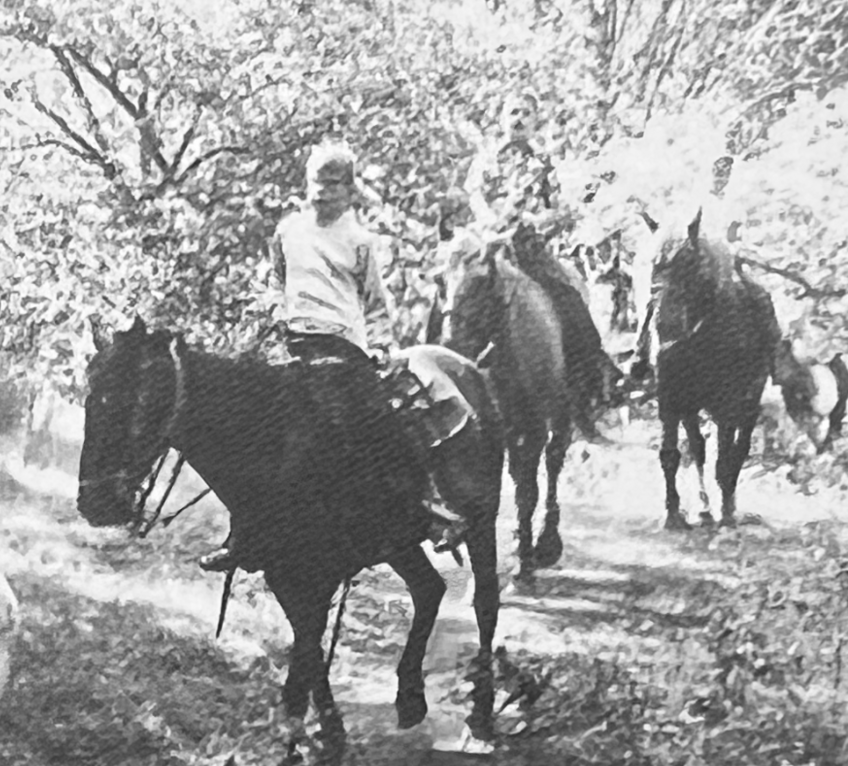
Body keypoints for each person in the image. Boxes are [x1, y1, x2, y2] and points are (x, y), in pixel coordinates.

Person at [199, 141, 469, 573]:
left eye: (332, 185)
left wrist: (380, 343)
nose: (321, 193)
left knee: (379, 425)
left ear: (349, 189)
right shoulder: (288, 231)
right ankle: (245, 535)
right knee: (252, 434)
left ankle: (430, 508)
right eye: (315, 183)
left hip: (344, 351)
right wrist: (273, 314)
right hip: (292, 346)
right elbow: (276, 281)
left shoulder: (360, 242)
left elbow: (376, 304)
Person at [463, 92, 611, 438]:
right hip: (487, 240)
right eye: (512, 112)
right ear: (501, 117)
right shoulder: (486, 159)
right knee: (450, 289)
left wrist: (530, 219)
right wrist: (489, 220)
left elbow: (556, 208)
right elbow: (474, 195)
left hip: (527, 247)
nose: (518, 119)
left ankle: (591, 377)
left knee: (568, 297)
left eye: (525, 114)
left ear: (535, 121)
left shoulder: (542, 163)